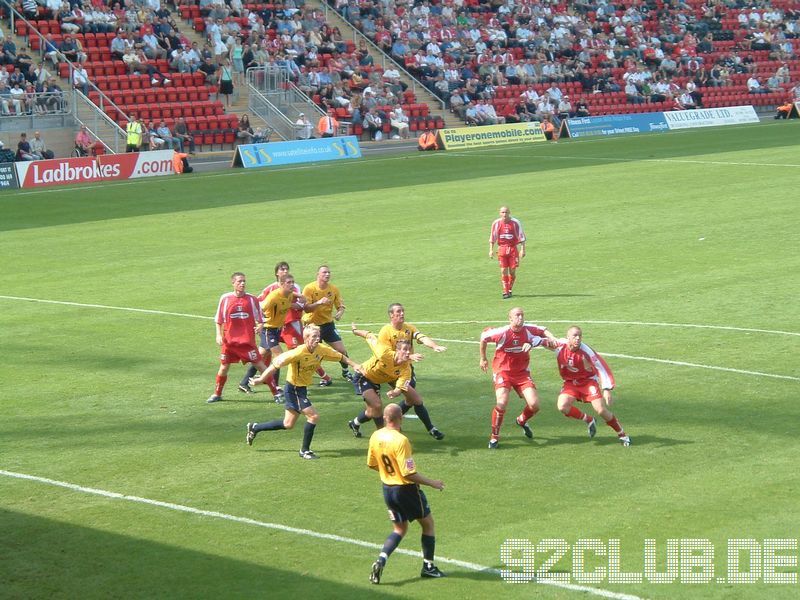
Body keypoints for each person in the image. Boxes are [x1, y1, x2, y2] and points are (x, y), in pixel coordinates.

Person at [246, 324, 364, 459]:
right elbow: (275, 364)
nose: (317, 339)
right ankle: (305, 451)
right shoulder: (297, 352)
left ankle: (255, 427)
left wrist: (355, 365)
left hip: (301, 389)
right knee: (313, 416)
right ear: (306, 338)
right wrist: (261, 379)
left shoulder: (321, 350)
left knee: (288, 424)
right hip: (293, 389)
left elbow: (341, 357)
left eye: (318, 336)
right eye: (314, 336)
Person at [367, 403, 446, 584]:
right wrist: (433, 483)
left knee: (399, 529)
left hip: (387, 489)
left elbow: (372, 464)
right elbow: (408, 473)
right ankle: (428, 567)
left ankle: (381, 560)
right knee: (428, 524)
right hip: (406, 490)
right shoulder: (401, 440)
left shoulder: (376, 435)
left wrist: (389, 473)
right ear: (400, 417)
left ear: (386, 418)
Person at [479, 307, 557, 449]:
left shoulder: (529, 330)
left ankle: (521, 420)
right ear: (510, 319)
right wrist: (483, 358)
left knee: (535, 405)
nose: (520, 318)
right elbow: (483, 337)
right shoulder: (502, 332)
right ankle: (494, 437)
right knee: (501, 403)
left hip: (522, 373)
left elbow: (543, 330)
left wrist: (552, 339)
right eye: (517, 315)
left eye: (522, 315)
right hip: (503, 372)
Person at [376, 303, 446, 440]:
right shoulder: (385, 331)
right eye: (398, 311)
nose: (402, 313)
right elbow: (386, 354)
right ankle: (431, 428)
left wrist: (434, 346)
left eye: (402, 311)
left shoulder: (409, 328)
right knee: (416, 400)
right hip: (393, 371)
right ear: (391, 315)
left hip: (406, 369)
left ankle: (360, 421)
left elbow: (422, 337)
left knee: (410, 400)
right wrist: (409, 356)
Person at [551, 326, 630, 446]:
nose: (578, 338)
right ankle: (589, 420)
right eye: (575, 336)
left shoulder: (586, 351)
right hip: (570, 383)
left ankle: (622, 434)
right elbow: (543, 340)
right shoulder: (559, 345)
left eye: (580, 336)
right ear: (568, 337)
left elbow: (601, 367)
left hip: (588, 382)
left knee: (601, 409)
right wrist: (530, 343)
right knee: (562, 406)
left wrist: (607, 389)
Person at [347, 325, 423, 437]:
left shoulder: (406, 368)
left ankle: (354, 423)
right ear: (397, 350)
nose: (408, 353)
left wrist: (395, 392)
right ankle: (383, 435)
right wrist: (355, 331)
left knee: (371, 410)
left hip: (376, 381)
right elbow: (370, 336)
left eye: (409, 350)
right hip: (364, 376)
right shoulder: (383, 353)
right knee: (377, 405)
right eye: (405, 350)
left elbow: (400, 385)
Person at [207, 272, 270, 403]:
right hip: (229, 342)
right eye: (239, 281)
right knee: (223, 367)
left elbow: (261, 319)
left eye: (244, 281)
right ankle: (217, 394)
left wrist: (260, 326)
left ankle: (276, 393)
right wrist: (218, 334)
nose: (242, 283)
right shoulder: (225, 299)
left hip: (247, 342)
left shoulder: (252, 299)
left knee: (261, 366)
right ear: (233, 283)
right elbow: (218, 319)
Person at [242, 272, 305, 402]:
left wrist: (302, 297)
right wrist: (260, 324)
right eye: (289, 283)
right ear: (281, 285)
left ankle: (243, 383)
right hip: (268, 330)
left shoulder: (289, 295)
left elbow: (296, 296)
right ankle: (276, 388)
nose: (292, 285)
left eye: (293, 282)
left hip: (277, 330)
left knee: (259, 357)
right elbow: (259, 308)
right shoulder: (273, 298)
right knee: (280, 358)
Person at [302, 265, 353, 380]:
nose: (327, 274)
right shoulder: (309, 288)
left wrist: (340, 312)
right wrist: (319, 302)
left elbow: (341, 306)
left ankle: (345, 372)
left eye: (329, 272)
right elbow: (306, 308)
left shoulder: (333, 289)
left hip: (328, 325)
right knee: (314, 354)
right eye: (324, 272)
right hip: (312, 327)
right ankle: (323, 378)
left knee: (341, 350)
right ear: (318, 274)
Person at [489, 206, 526, 299]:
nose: (504, 214)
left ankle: (509, 288)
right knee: (503, 270)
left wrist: (522, 249)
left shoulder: (515, 223)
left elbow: (521, 236)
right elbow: (493, 237)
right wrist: (491, 250)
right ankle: (505, 291)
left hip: (513, 249)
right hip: (502, 249)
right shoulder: (496, 223)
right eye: (502, 212)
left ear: (509, 213)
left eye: (506, 212)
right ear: (500, 213)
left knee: (512, 272)